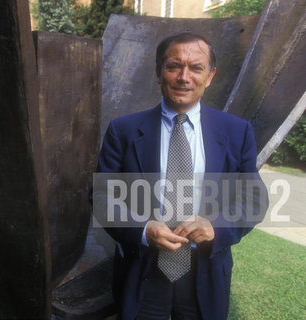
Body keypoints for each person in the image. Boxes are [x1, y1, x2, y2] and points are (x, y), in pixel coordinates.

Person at [95, 32, 267, 319]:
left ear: (210, 76)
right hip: (143, 272)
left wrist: (217, 227)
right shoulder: (123, 130)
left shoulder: (236, 132)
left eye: (196, 68)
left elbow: (254, 199)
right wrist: (142, 229)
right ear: (158, 72)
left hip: (206, 272)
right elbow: (102, 197)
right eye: (174, 66)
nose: (184, 77)